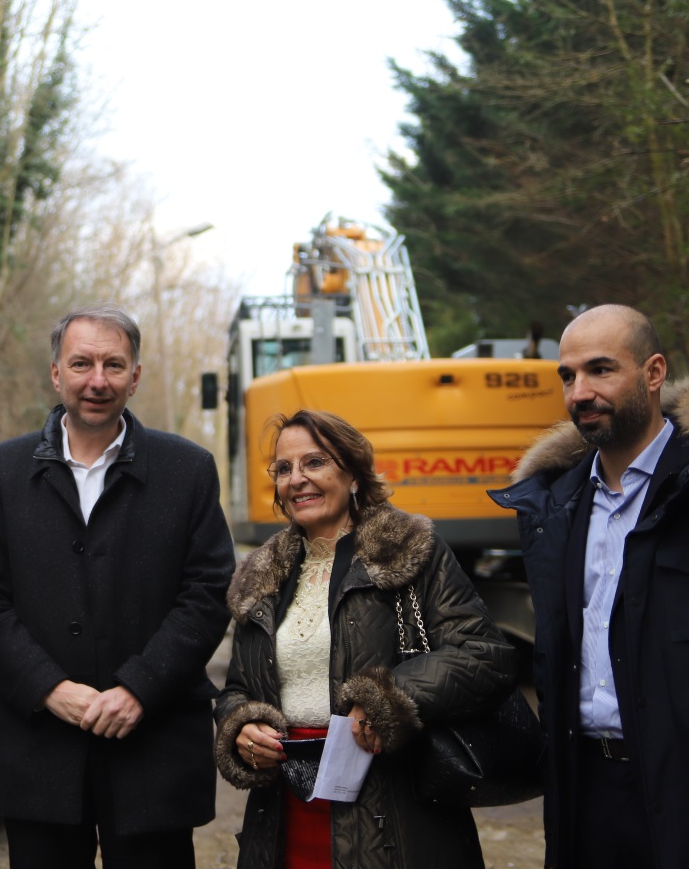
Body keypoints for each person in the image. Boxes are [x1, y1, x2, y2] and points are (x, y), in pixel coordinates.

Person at [0, 304, 236, 869]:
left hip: (154, 749)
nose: (97, 380)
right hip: (38, 749)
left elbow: (208, 594)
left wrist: (139, 688)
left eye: (114, 365)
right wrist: (48, 688)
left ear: (135, 377)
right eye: (81, 363)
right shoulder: (5, 471)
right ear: (55, 373)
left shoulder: (187, 470)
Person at [216, 409, 516, 869]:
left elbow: (484, 656)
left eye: (315, 462)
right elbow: (238, 686)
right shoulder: (260, 577)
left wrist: (386, 699)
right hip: (284, 812)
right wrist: (241, 726)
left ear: (353, 472)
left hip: (392, 814)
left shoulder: (407, 550)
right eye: (284, 468)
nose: (297, 479)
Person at [491, 304, 686, 869]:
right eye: (568, 376)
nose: (580, 393)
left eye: (601, 370)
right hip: (585, 790)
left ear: (653, 373)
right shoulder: (554, 506)